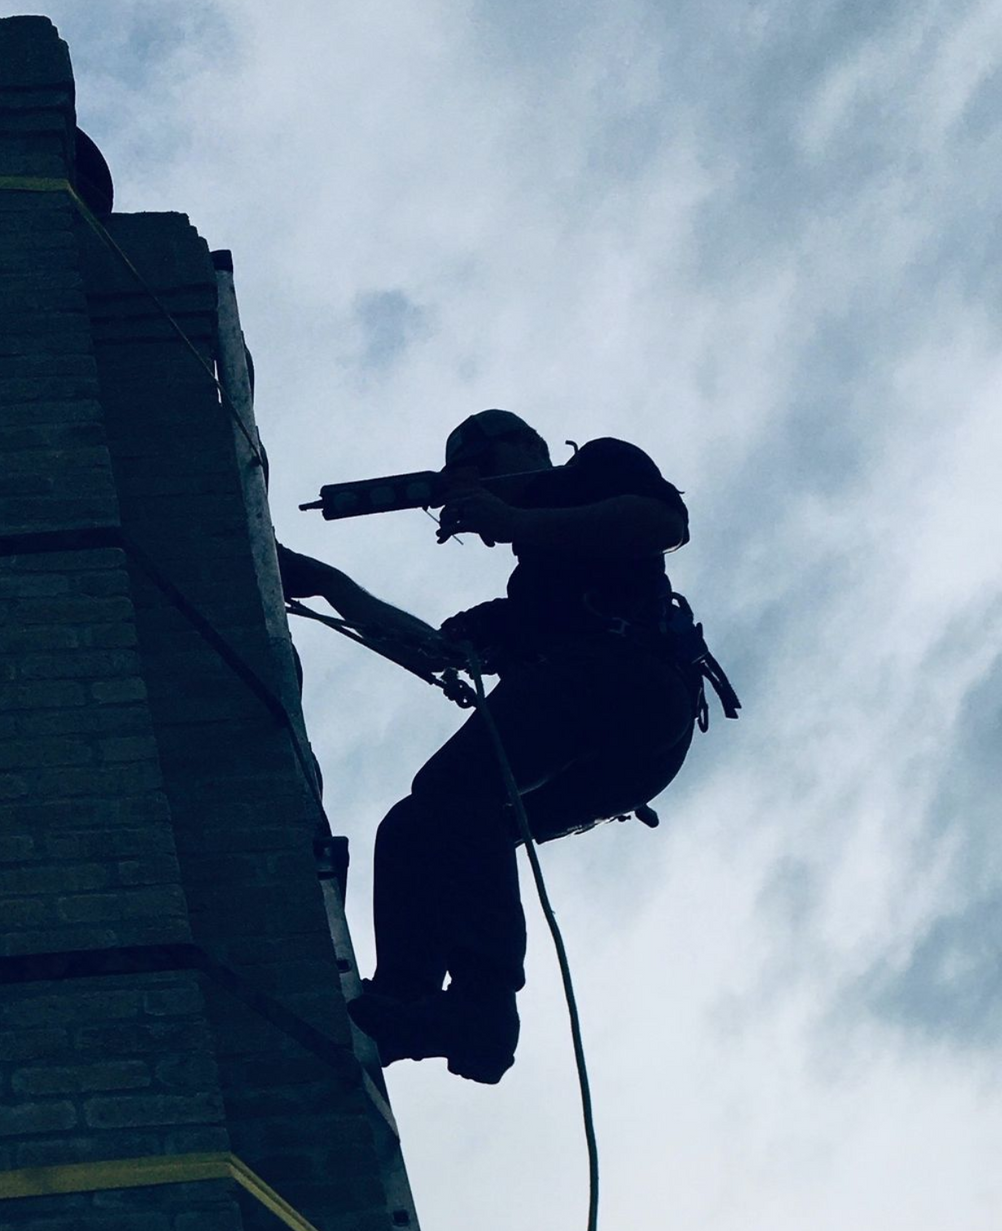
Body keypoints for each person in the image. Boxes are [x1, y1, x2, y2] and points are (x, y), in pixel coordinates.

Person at [279, 409, 731, 1083]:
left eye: (479, 477)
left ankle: (484, 1009)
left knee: (455, 794)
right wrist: (325, 583)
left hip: (628, 681)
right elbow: (433, 648)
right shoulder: (526, 605)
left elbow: (664, 525)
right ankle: (408, 999)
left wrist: (515, 519)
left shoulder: (597, 470)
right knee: (421, 825)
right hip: (624, 746)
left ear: (520, 449)